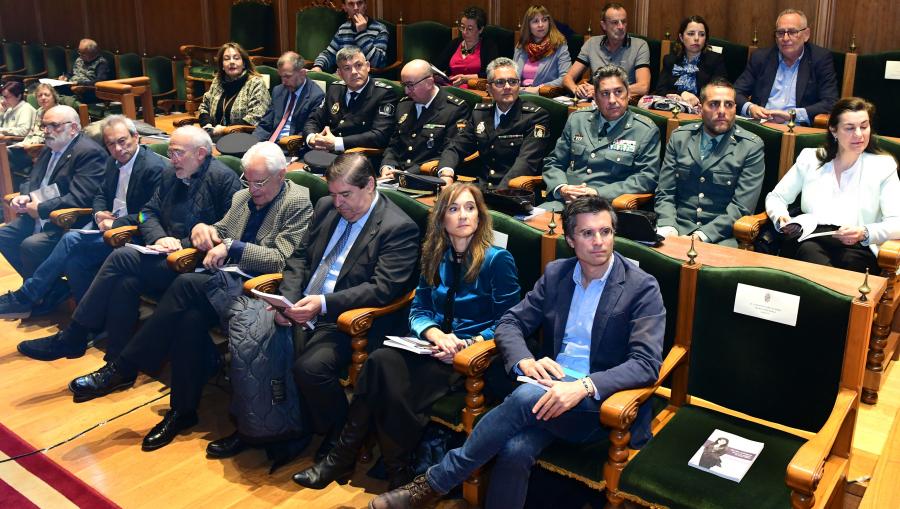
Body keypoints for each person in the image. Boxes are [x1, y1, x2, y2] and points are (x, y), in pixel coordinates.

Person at [370, 195, 665, 509]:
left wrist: (582, 387)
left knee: (524, 398)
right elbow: (510, 322)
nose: (599, 242)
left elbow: (646, 363)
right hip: (549, 391)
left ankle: (433, 483)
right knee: (514, 448)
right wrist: (524, 359)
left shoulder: (641, 287)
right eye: (587, 233)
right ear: (570, 240)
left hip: (600, 401)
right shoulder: (557, 275)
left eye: (605, 232)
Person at [64, 141, 314, 452]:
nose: (252, 188)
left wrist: (233, 248)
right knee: (188, 319)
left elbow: (284, 258)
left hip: (259, 293)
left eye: (259, 181)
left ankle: (124, 366)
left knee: (185, 286)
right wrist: (203, 230)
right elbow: (219, 229)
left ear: (281, 175)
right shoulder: (242, 197)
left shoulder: (297, 202)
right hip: (223, 287)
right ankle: (182, 412)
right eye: (247, 180)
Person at [292, 183, 520, 490]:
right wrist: (433, 332)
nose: (463, 216)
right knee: (379, 362)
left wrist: (467, 344)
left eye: (470, 208)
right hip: (432, 346)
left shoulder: (497, 260)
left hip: (473, 358)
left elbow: (509, 321)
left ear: (480, 217)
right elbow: (419, 308)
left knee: (389, 381)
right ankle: (387, 468)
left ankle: (356, 460)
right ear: (441, 219)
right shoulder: (434, 255)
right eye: (453, 209)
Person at [204, 153, 420, 465]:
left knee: (308, 366)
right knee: (249, 341)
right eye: (333, 194)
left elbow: (383, 289)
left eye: (346, 195)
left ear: (370, 185)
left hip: (349, 318)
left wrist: (322, 304)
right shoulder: (326, 208)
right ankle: (259, 427)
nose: (338, 203)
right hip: (303, 304)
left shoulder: (398, 227)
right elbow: (300, 257)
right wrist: (288, 300)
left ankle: (337, 431)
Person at [16, 125, 241, 364]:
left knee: (121, 257)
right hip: (163, 253)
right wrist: (158, 238)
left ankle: (74, 335)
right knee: (124, 282)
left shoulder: (223, 180)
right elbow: (146, 213)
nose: (172, 159)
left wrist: (181, 243)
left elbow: (227, 234)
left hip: (193, 263)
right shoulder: (172, 173)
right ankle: (116, 361)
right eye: (171, 152)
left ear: (201, 153)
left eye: (178, 153)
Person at [0, 115, 165, 319]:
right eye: (111, 144)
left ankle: (28, 295)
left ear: (136, 137)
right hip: (105, 227)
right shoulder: (113, 162)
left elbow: (148, 215)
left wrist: (117, 222)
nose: (118, 149)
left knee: (70, 239)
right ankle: (89, 322)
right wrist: (98, 214)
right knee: (74, 261)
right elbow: (99, 195)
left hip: (134, 235)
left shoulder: (153, 168)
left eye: (122, 141)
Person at [766, 97, 900, 273]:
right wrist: (781, 217)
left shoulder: (883, 166)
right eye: (850, 128)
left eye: (864, 126)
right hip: (810, 237)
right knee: (809, 251)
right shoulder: (811, 158)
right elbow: (777, 197)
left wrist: (864, 232)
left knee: (849, 264)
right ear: (833, 130)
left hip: (857, 246)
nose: (859, 134)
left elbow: (896, 222)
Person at [0, 105, 106, 279]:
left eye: (54, 125)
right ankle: (49, 292)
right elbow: (32, 180)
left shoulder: (89, 153)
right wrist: (25, 196)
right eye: (44, 126)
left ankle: (37, 295)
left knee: (31, 245)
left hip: (65, 221)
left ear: (73, 128)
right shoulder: (50, 147)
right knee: (3, 235)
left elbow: (80, 198)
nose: (47, 131)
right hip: (37, 215)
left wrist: (41, 208)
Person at [654, 79, 765, 246]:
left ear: (735, 108)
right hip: (676, 228)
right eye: (714, 104)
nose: (722, 111)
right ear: (700, 109)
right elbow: (665, 192)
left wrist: (700, 236)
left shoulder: (750, 146)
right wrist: (669, 227)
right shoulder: (680, 138)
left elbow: (741, 208)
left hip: (721, 236)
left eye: (728, 105)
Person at [542, 65, 661, 211]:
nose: (612, 100)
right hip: (564, 204)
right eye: (605, 94)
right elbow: (554, 162)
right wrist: (562, 188)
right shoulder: (577, 120)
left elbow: (646, 178)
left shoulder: (644, 130)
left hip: (607, 208)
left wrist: (598, 193)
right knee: (525, 223)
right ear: (595, 97)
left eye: (618, 92)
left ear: (628, 94)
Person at [436, 57, 552, 188]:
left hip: (513, 192)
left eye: (513, 82)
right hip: (482, 189)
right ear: (489, 89)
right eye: (500, 82)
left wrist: (496, 195)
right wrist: (446, 174)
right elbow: (456, 147)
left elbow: (526, 163)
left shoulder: (535, 116)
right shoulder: (480, 114)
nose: (507, 87)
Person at [734, 9, 838, 125]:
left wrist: (792, 115)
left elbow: (830, 102)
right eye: (780, 32)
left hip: (797, 128)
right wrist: (751, 108)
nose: (785, 38)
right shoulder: (761, 57)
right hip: (762, 126)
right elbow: (735, 92)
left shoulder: (820, 58)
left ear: (806, 34)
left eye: (792, 32)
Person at [378, 59, 470, 178]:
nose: (406, 91)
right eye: (404, 85)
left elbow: (450, 151)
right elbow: (394, 145)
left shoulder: (454, 109)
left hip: (426, 176)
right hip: (396, 176)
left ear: (429, 82)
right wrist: (387, 166)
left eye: (410, 85)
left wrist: (408, 173)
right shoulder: (404, 104)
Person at [304, 46, 398, 154]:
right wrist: (312, 138)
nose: (354, 72)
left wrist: (337, 142)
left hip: (359, 157)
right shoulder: (335, 89)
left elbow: (380, 135)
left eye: (358, 65)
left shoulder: (384, 94)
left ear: (367, 66)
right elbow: (314, 119)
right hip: (325, 153)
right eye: (347, 68)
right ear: (339, 73)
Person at [563, 3, 650, 100]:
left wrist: (601, 90)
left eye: (624, 22)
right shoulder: (592, 43)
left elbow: (643, 87)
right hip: (593, 102)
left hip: (622, 103)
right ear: (603, 25)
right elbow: (567, 78)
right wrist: (577, 90)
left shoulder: (640, 46)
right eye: (615, 22)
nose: (621, 27)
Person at [198, 42, 271, 138]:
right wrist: (207, 125)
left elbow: (256, 118)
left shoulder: (256, 83)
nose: (231, 62)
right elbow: (204, 106)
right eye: (227, 59)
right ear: (222, 66)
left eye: (236, 58)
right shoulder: (217, 81)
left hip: (244, 138)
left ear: (244, 63)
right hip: (214, 135)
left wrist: (224, 130)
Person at [654, 15, 727, 110]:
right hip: (671, 109)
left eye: (701, 34)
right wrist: (682, 94)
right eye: (691, 33)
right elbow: (660, 90)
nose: (696, 38)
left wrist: (695, 100)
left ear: (706, 39)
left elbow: (718, 91)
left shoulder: (716, 60)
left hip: (703, 111)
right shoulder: (670, 60)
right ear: (681, 37)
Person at [253, 51, 324, 144]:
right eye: (281, 77)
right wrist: (252, 143)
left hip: (291, 147)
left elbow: (308, 131)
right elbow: (265, 124)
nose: (283, 82)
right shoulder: (278, 91)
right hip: (269, 145)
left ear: (302, 73)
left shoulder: (316, 96)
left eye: (287, 76)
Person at [311, 0, 389, 72]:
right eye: (351, 4)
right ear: (344, 7)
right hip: (342, 77)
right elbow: (330, 54)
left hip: (367, 78)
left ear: (365, 5)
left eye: (359, 3)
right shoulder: (343, 28)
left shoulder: (380, 29)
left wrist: (361, 33)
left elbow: (378, 62)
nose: (356, 8)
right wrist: (318, 66)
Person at [435, 6, 500, 88]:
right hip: (450, 88)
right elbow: (438, 67)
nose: (465, 32)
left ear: (480, 29)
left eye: (470, 28)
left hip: (475, 90)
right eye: (462, 27)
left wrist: (466, 78)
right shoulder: (454, 43)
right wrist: (439, 77)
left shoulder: (489, 46)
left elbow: (493, 73)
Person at [512, 5, 571, 93]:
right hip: (520, 93)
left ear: (549, 22)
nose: (541, 25)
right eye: (535, 21)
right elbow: (512, 74)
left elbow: (565, 77)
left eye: (544, 20)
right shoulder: (521, 45)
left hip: (546, 95)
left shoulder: (559, 45)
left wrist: (539, 89)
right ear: (528, 26)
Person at [6, 83, 59, 175]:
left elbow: (57, 138)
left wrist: (36, 147)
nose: (43, 98)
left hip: (44, 150)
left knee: (4, 156)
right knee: (4, 157)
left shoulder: (60, 112)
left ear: (53, 96)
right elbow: (33, 132)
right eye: (39, 96)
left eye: (46, 95)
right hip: (28, 147)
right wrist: (24, 143)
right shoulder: (39, 112)